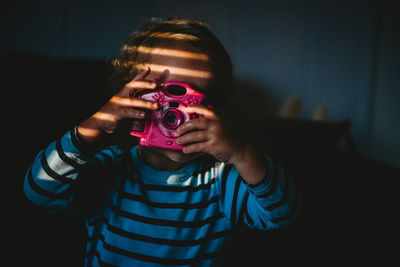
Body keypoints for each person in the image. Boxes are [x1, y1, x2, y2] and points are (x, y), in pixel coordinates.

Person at [23, 17, 300, 266]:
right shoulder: (110, 171)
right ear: (129, 100)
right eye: (169, 96)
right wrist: (94, 126)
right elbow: (40, 191)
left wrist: (241, 153)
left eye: (200, 100)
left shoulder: (222, 181)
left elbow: (283, 214)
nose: (181, 114)